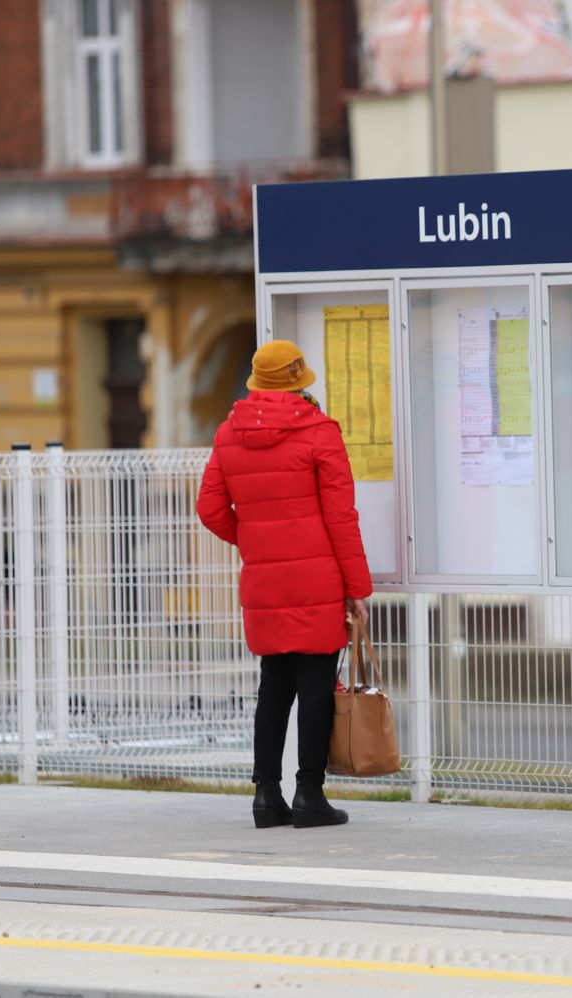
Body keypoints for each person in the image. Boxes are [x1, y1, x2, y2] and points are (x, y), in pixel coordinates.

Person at [196, 339, 372, 829]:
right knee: (317, 687)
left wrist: (255, 540)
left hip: (265, 580)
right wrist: (357, 587)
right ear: (299, 380)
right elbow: (340, 516)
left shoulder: (229, 434)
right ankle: (309, 794)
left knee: (273, 686)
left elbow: (209, 508)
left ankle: (266, 796)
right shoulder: (319, 431)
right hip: (318, 579)